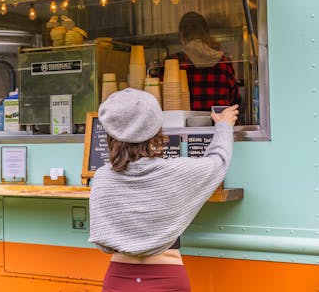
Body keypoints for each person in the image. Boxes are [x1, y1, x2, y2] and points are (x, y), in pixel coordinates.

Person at [89, 88, 238, 292]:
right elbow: (219, 161)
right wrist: (223, 125)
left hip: (118, 280)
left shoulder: (102, 178)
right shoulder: (176, 172)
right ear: (156, 129)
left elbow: (104, 245)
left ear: (110, 132)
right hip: (169, 279)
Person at [166, 11, 241, 111]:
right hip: (219, 123)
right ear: (206, 35)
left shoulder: (172, 63)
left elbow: (163, 102)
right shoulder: (224, 62)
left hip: (184, 125)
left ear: (182, 37)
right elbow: (235, 100)